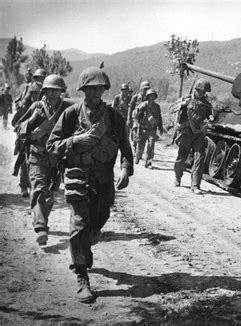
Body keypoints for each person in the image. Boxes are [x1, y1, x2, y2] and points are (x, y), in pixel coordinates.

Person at [46, 67, 133, 303]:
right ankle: (82, 276)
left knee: (98, 219)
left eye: (99, 88)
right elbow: (52, 146)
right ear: (83, 90)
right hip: (77, 177)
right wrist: (76, 141)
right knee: (79, 224)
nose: (95, 92)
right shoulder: (71, 114)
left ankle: (91, 237)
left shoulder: (114, 116)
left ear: (104, 90)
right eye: (91, 88)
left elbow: (125, 147)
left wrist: (125, 169)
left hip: (103, 180)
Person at [16, 75, 73, 245]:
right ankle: (40, 226)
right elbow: (18, 127)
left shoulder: (67, 109)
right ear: (45, 91)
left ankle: (42, 221)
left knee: (49, 196)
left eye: (57, 90)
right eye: (50, 90)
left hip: (56, 159)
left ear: (61, 91)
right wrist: (32, 120)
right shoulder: (36, 106)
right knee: (39, 189)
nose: (54, 94)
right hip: (37, 156)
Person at [173, 78, 214, 194]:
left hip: (199, 135)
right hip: (186, 133)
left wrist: (210, 119)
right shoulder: (186, 100)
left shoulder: (206, 105)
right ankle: (177, 175)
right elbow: (171, 109)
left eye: (204, 93)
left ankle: (195, 185)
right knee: (182, 158)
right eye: (200, 92)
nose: (202, 94)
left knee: (199, 159)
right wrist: (182, 105)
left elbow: (210, 117)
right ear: (195, 90)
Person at [12, 81, 43, 198]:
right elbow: (15, 123)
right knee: (24, 163)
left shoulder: (43, 105)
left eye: (38, 93)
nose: (35, 96)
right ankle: (24, 186)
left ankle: (35, 186)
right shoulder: (25, 105)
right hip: (26, 139)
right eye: (33, 93)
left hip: (39, 139)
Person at [134, 88, 163, 168]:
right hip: (143, 128)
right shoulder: (143, 104)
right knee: (140, 146)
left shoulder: (157, 107)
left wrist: (160, 127)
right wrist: (140, 110)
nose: (152, 98)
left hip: (152, 129)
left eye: (153, 96)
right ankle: (138, 155)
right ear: (147, 96)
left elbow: (159, 117)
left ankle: (148, 162)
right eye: (150, 96)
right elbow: (135, 115)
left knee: (151, 145)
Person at [129, 80, 150, 154]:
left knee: (143, 136)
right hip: (136, 119)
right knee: (135, 135)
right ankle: (135, 148)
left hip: (144, 120)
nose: (146, 90)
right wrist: (129, 119)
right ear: (141, 89)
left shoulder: (149, 98)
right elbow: (130, 108)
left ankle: (140, 151)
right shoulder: (136, 97)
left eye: (147, 89)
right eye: (144, 89)